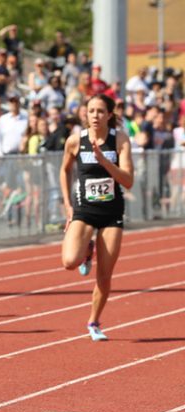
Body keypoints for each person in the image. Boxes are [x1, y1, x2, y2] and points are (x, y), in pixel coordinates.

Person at [60, 94, 134, 341]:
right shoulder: (75, 140)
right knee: (69, 261)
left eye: (100, 111)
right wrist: (68, 205)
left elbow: (128, 181)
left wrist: (105, 161)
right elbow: (64, 170)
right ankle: (86, 250)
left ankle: (93, 322)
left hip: (111, 213)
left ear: (109, 115)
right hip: (84, 210)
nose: (95, 116)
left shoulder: (119, 140)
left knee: (104, 273)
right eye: (91, 111)